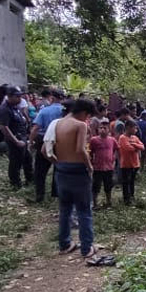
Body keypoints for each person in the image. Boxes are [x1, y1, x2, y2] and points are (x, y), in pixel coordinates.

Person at [53, 99, 96, 258]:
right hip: (78, 170)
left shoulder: (58, 123)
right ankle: (87, 247)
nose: (87, 119)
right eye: (88, 116)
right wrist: (90, 166)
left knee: (65, 209)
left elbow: (48, 147)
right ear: (84, 112)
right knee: (84, 210)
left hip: (61, 168)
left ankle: (64, 244)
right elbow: (80, 149)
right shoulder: (80, 125)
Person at [29, 88, 64, 202]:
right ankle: (57, 194)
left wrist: (30, 141)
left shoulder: (44, 111)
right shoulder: (65, 112)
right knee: (58, 168)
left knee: (40, 170)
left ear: (52, 98)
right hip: (60, 142)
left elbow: (35, 128)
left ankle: (40, 195)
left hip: (45, 141)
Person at [0, 87, 33, 188]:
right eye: (17, 96)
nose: (20, 99)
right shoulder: (5, 109)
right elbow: (4, 127)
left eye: (20, 96)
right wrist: (16, 141)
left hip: (21, 138)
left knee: (27, 159)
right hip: (14, 140)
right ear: (9, 96)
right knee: (15, 162)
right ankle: (15, 183)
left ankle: (30, 179)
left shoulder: (15, 107)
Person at [89, 119, 118, 208]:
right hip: (98, 167)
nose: (102, 130)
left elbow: (116, 149)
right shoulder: (94, 140)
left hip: (109, 167)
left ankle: (109, 202)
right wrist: (91, 162)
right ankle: (95, 203)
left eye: (105, 128)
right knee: (96, 186)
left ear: (108, 129)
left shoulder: (112, 140)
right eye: (100, 128)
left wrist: (114, 158)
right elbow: (90, 151)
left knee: (108, 186)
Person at [118, 119, 144, 205]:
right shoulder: (122, 138)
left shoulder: (135, 138)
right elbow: (128, 149)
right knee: (126, 182)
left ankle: (132, 196)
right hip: (126, 164)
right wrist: (136, 147)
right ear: (128, 128)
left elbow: (142, 146)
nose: (135, 130)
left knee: (132, 181)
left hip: (135, 163)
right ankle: (126, 199)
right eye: (134, 128)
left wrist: (135, 145)